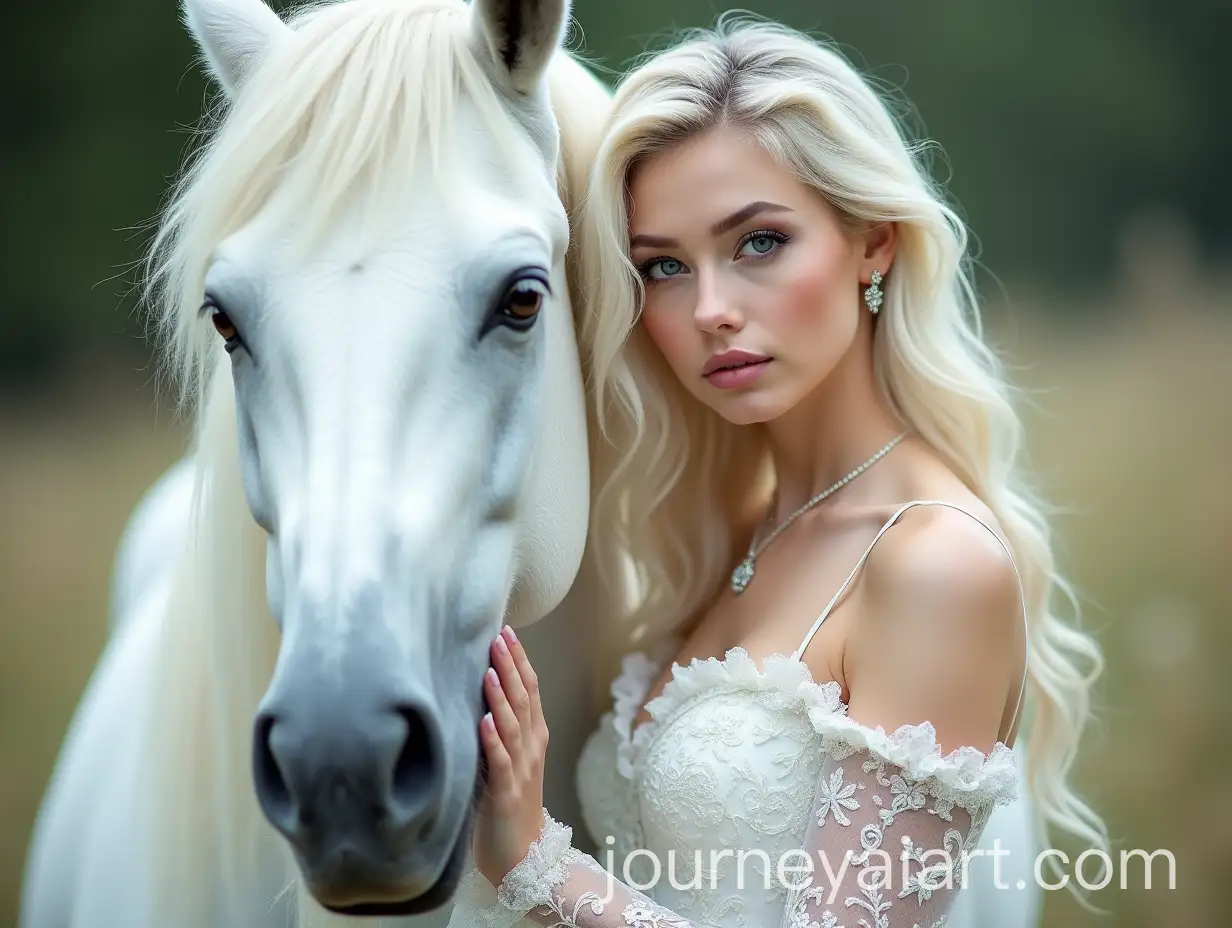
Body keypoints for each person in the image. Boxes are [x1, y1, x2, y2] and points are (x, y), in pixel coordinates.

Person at [450, 15, 1108, 928]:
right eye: (665, 267)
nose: (711, 309)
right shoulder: (733, 530)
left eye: (758, 242)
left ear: (872, 239)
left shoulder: (934, 564)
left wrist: (534, 865)